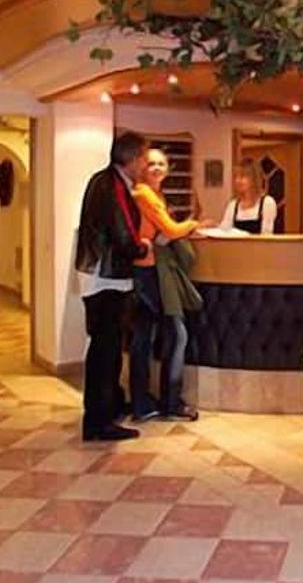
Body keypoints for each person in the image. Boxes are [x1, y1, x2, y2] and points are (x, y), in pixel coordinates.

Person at [74, 132, 150, 442]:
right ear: (132, 158)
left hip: (101, 276)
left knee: (106, 349)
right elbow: (123, 235)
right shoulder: (113, 186)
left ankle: (109, 407)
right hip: (107, 279)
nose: (146, 166)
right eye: (144, 159)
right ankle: (99, 422)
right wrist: (141, 248)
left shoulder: (103, 180)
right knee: (106, 352)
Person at [129, 148, 201, 422]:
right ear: (141, 167)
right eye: (151, 164)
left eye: (161, 163)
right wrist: (193, 223)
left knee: (148, 337)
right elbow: (170, 230)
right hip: (148, 272)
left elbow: (164, 231)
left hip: (151, 271)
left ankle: (144, 402)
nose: (157, 168)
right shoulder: (144, 194)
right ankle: (167, 403)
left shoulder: (155, 196)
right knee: (171, 334)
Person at [218, 158, 277, 235]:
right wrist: (213, 226)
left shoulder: (267, 203)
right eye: (236, 177)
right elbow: (224, 232)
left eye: (242, 176)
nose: (238, 180)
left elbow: (266, 235)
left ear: (254, 179)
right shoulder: (233, 205)